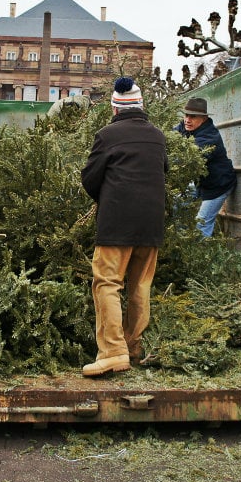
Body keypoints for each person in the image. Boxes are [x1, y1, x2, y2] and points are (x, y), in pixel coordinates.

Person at [79, 77, 168, 376]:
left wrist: (107, 198)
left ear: (116, 109)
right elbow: (162, 172)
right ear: (141, 106)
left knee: (107, 283)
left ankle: (113, 352)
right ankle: (134, 346)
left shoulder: (107, 135)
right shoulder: (158, 136)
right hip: (152, 223)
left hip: (117, 223)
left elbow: (90, 178)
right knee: (140, 284)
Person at [174, 97, 236, 237]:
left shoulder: (209, 137)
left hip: (218, 184)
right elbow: (171, 136)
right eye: (186, 115)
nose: (187, 120)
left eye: (193, 116)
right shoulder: (185, 126)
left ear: (204, 118)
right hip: (200, 182)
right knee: (177, 206)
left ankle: (199, 255)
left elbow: (189, 160)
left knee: (202, 223)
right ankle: (180, 244)